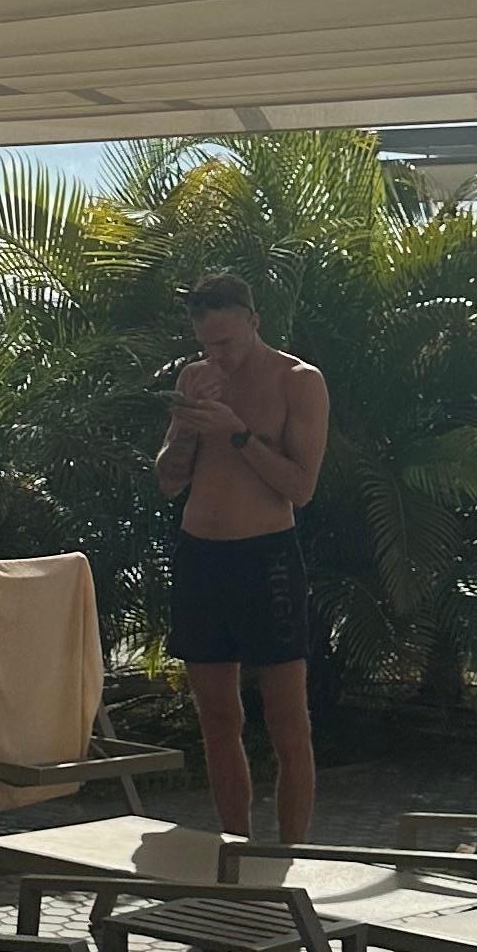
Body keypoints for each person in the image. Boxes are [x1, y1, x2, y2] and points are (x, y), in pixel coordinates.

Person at [155, 272, 331, 842]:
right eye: (207, 344)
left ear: (254, 322)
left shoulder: (298, 381)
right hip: (201, 558)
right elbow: (168, 481)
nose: (218, 356)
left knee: (287, 721)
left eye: (227, 343)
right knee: (217, 719)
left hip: (266, 558)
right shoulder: (195, 377)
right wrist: (186, 428)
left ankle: (293, 853)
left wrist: (237, 434)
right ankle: (234, 848)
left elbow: (300, 487)